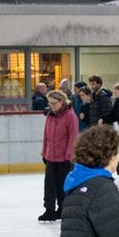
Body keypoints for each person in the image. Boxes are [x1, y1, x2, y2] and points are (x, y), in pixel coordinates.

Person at [39, 90, 78, 223]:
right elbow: (46, 136)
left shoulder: (70, 116)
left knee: (62, 185)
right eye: (49, 103)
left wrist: (69, 156)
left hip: (64, 158)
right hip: (51, 156)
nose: (51, 106)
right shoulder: (50, 116)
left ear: (61, 101)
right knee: (49, 185)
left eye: (54, 103)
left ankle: (63, 209)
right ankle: (49, 209)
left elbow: (73, 137)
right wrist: (44, 152)